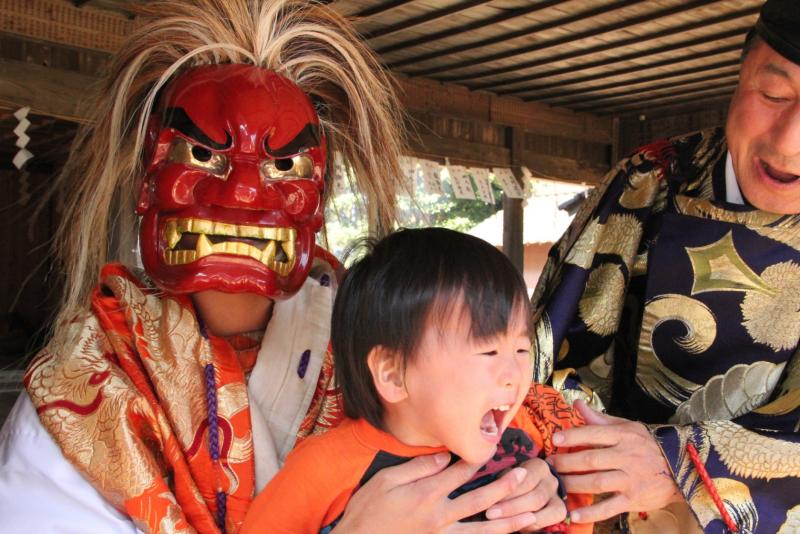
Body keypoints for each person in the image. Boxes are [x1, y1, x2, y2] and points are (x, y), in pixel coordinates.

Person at [0, 1, 566, 533]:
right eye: (202, 156)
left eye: (285, 165)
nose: (245, 193)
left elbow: (509, 414)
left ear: (318, 202)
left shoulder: (394, 334)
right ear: (147, 182)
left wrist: (548, 478)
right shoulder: (81, 399)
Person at [531, 0, 800, 532]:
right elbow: (543, 357)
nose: (788, 144)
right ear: (739, 74)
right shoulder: (648, 182)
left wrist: (683, 466)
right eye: (773, 96)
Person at [242, 228, 590, 533]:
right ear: (394, 374)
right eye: (488, 352)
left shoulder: (526, 434)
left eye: (521, 350)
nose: (515, 375)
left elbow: (579, 511)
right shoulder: (321, 469)